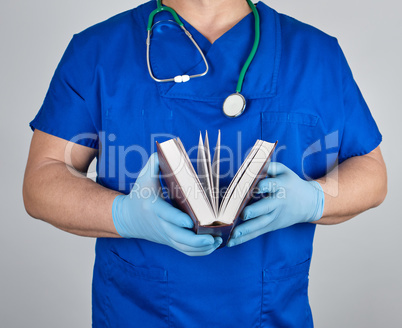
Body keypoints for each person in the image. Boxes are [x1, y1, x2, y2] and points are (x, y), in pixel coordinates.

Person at [23, 0, 387, 326]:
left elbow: (371, 172)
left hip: (272, 315)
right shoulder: (98, 52)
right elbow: (42, 180)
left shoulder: (316, 55)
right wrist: (123, 214)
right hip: (133, 315)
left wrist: (313, 200)